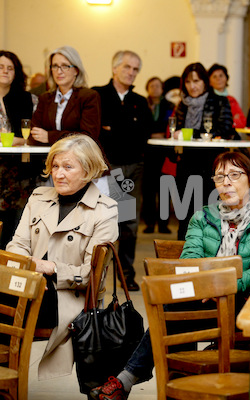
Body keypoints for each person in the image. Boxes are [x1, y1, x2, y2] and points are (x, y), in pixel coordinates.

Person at [90, 151, 250, 400]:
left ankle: (127, 381)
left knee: (170, 316)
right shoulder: (202, 217)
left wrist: (225, 286)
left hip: (244, 305)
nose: (227, 182)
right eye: (220, 176)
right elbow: (189, 262)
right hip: (203, 303)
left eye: (235, 175)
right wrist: (207, 288)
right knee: (171, 310)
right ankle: (165, 385)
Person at [6, 134, 119, 381]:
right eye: (55, 166)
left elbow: (92, 276)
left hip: (64, 298)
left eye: (68, 167)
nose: (58, 174)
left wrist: (50, 267)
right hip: (25, 285)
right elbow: (18, 245)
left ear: (88, 170)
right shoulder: (38, 198)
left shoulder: (105, 210)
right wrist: (28, 268)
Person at [94, 50, 153, 292]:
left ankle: (125, 274)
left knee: (128, 223)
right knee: (102, 222)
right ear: (114, 68)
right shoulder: (98, 95)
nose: (131, 72)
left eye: (136, 69)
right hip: (106, 170)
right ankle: (96, 272)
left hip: (131, 170)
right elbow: (96, 131)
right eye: (127, 67)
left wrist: (113, 130)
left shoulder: (139, 101)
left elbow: (144, 134)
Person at [171, 62, 237, 240]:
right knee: (184, 214)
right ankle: (185, 258)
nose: (192, 86)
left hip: (212, 164)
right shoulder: (182, 105)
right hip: (186, 162)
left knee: (211, 211)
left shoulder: (219, 101)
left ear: (205, 82)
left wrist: (190, 133)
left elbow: (225, 129)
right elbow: (174, 132)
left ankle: (210, 257)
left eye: (197, 81)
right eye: (188, 82)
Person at [0, 50, 36, 248]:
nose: (5, 71)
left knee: (14, 228)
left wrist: (18, 140)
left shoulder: (28, 99)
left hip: (20, 172)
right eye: (1, 67)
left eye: (10, 68)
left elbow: (33, 134)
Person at [31, 46, 101, 145]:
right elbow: (33, 135)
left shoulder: (89, 97)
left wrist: (49, 136)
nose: (59, 71)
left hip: (77, 157)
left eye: (65, 66)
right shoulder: (45, 98)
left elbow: (88, 137)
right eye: (55, 66)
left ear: (76, 70)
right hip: (46, 157)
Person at [141, 77, 174, 234]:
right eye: (151, 85)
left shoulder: (169, 106)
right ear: (147, 88)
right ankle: (149, 223)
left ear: (162, 89)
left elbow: (169, 128)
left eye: (157, 86)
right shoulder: (141, 104)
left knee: (164, 189)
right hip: (146, 153)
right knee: (148, 191)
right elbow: (141, 127)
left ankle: (163, 224)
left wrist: (156, 133)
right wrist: (154, 133)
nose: (154, 88)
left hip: (164, 153)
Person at [208, 63, 246, 129]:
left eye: (221, 76)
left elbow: (242, 122)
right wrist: (232, 119)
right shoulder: (207, 99)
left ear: (226, 78)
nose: (218, 79)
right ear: (209, 81)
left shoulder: (231, 100)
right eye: (214, 76)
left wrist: (226, 123)